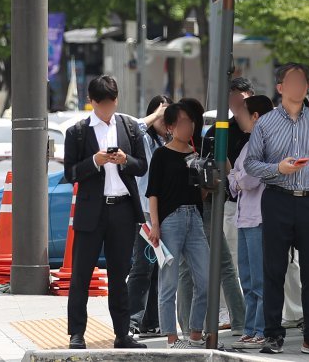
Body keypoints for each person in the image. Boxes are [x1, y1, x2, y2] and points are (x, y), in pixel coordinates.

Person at [243, 62, 309, 357]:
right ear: (281, 88)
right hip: (277, 199)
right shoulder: (266, 123)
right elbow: (251, 163)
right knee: (273, 271)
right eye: (292, 81)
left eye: (303, 81)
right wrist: (278, 168)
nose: (299, 86)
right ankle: (273, 335)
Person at [62, 75, 147, 350]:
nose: (107, 110)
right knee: (81, 275)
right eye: (102, 104)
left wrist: (125, 160)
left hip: (122, 209)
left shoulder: (129, 127)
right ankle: (76, 334)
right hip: (91, 212)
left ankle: (122, 334)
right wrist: (95, 161)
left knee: (120, 275)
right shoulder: (77, 132)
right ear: (92, 102)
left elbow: (142, 166)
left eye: (111, 103)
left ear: (116, 100)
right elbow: (70, 173)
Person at [178, 78, 249, 340]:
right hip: (199, 210)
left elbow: (221, 173)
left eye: (184, 119)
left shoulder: (204, 142)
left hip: (204, 210)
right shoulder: (202, 141)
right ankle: (194, 326)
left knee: (212, 267)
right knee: (204, 268)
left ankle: (192, 327)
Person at [147, 98, 211, 349]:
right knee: (169, 283)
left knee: (205, 280)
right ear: (171, 127)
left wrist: (207, 179)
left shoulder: (197, 155)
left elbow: (202, 195)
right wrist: (155, 224)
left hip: (195, 218)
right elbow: (153, 192)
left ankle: (196, 333)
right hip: (170, 220)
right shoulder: (161, 154)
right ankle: (172, 338)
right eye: (183, 122)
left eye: (191, 122)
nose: (189, 127)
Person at [228, 94, 275, 351]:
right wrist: (237, 175)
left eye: (243, 112)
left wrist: (236, 175)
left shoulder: (266, 144)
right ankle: (250, 329)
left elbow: (245, 180)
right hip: (245, 217)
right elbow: (235, 180)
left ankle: (260, 329)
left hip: (259, 218)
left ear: (256, 116)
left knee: (258, 278)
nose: (238, 116)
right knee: (246, 276)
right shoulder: (249, 144)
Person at [128, 95, 171, 339]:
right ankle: (132, 319)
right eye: (161, 116)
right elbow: (134, 127)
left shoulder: (173, 140)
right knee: (142, 266)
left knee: (159, 266)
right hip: (144, 210)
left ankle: (150, 322)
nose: (166, 120)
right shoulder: (144, 139)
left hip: (165, 210)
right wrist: (156, 114)